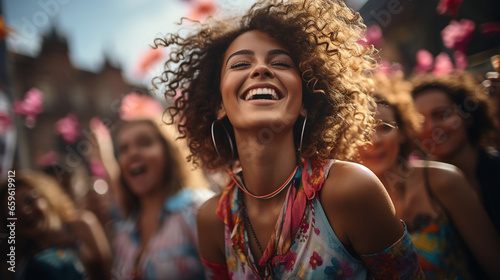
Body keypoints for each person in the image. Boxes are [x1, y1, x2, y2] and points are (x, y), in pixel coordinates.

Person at [153, 0, 424, 278]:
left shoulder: (351, 189)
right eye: (241, 63)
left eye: (280, 63)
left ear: (306, 101)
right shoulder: (213, 220)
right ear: (218, 105)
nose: (260, 70)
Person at [359, 72, 500, 279]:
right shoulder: (351, 205)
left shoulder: (444, 179)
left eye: (385, 127)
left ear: (404, 131)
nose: (374, 140)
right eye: (361, 132)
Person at [110, 118, 213, 279]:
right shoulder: (124, 233)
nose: (132, 153)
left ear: (169, 152)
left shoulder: (198, 210)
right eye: (123, 149)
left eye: (145, 143)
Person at [411, 72, 500, 234]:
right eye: (420, 121)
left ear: (467, 117)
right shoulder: (419, 193)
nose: (431, 127)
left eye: (442, 115)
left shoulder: (495, 167)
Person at [0, 170, 112, 280]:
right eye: (13, 210)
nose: (25, 211)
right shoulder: (17, 259)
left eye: (29, 200)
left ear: (46, 197)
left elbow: (109, 273)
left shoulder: (82, 224)